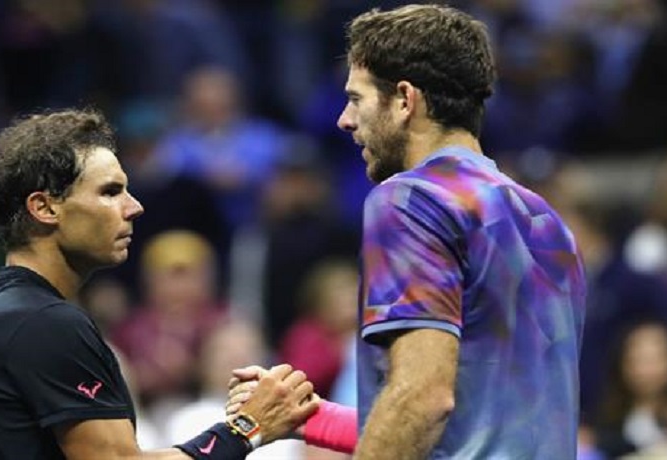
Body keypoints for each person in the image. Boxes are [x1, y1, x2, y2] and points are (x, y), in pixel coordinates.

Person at [230, 4, 586, 459]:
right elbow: (479, 426)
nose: (344, 119)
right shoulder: (545, 222)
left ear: (404, 99)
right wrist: (312, 418)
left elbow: (423, 399)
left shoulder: (412, 199)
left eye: (356, 98)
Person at [0, 108, 319, 460]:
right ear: (45, 207)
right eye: (109, 192)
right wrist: (247, 428)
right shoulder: (43, 323)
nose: (134, 206)